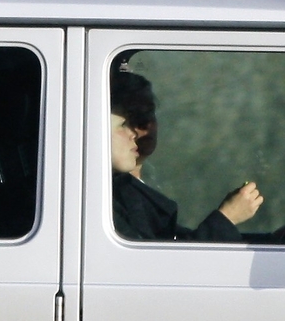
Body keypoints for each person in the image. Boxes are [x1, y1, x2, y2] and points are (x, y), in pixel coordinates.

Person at [110, 66, 263, 241]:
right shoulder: (113, 198)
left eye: (149, 113)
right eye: (127, 121)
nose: (139, 129)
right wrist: (227, 218)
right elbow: (159, 263)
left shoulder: (152, 180)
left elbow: (174, 240)